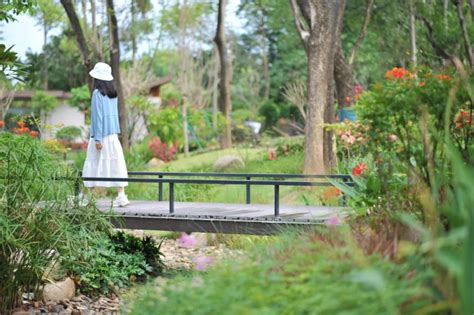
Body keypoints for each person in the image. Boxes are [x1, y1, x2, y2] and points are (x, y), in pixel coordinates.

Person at [82, 62, 130, 207]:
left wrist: (97, 138)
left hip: (100, 135)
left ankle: (89, 197)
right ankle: (121, 196)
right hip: (112, 136)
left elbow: (98, 117)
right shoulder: (113, 94)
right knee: (116, 163)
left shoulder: (97, 94)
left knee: (92, 163)